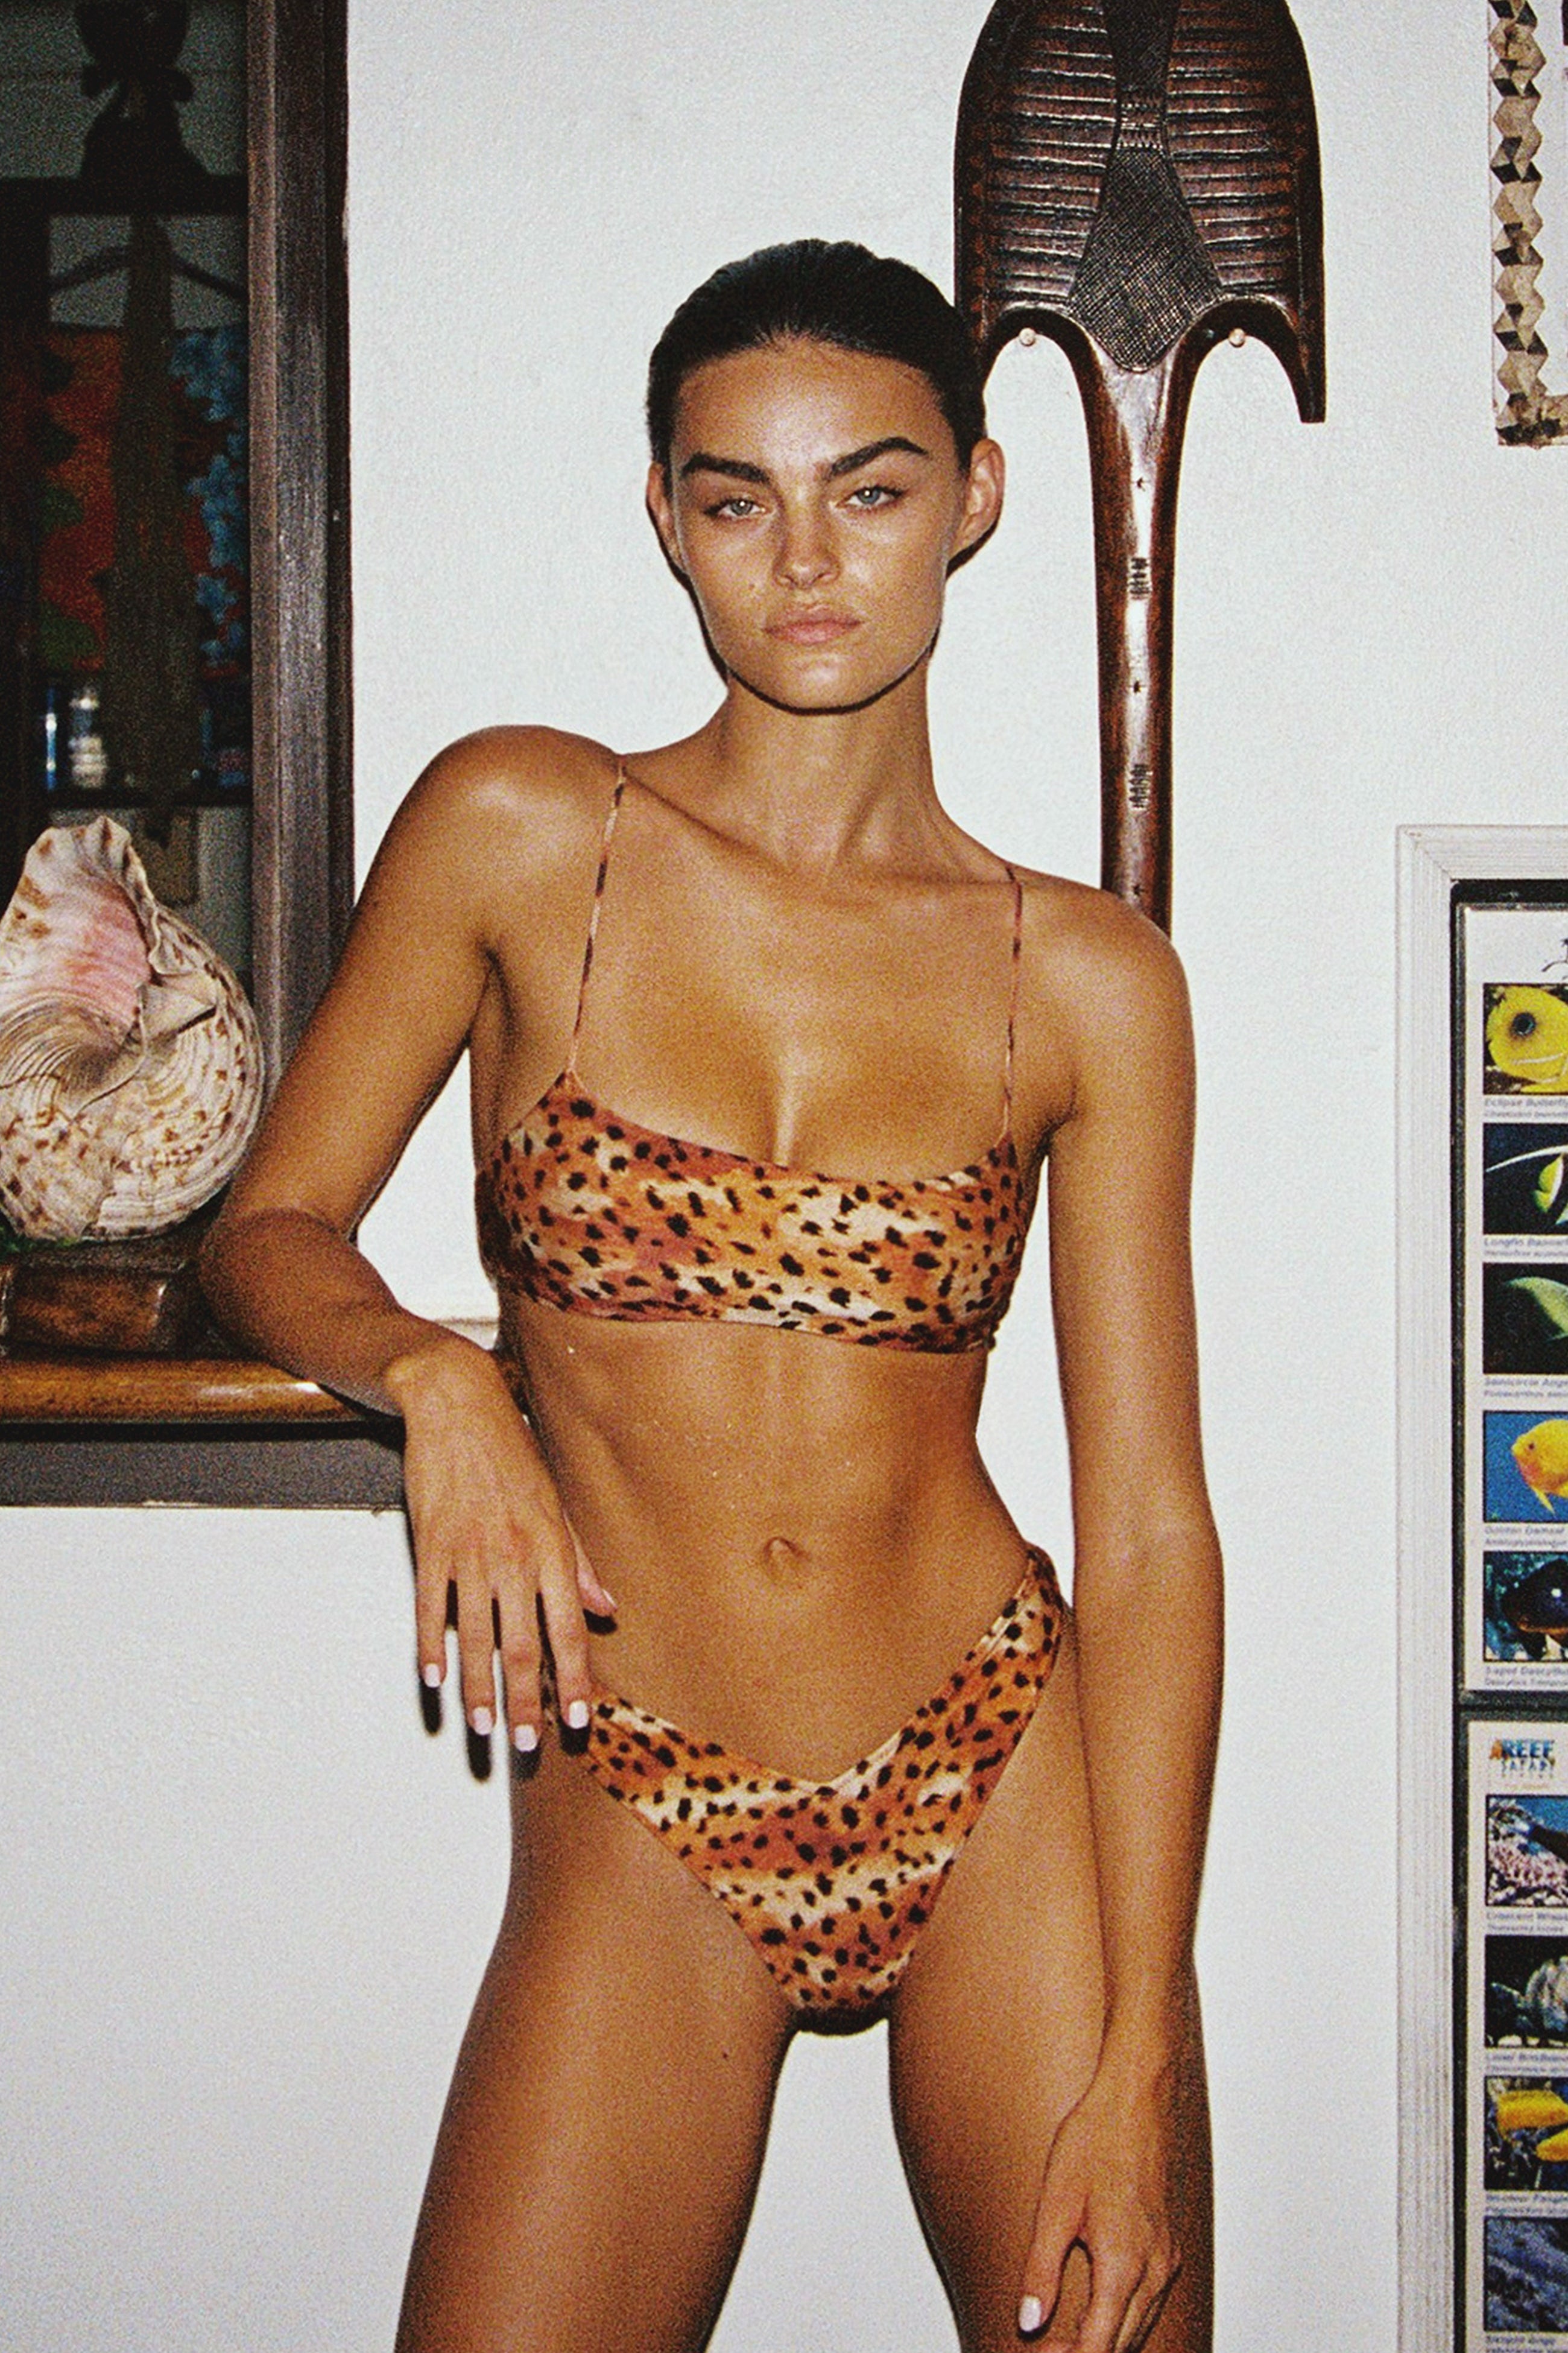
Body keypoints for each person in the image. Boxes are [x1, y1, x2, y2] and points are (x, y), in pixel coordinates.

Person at [202, 239, 1222, 2353]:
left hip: (998, 1768)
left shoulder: (1095, 984)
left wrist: (1132, 2059)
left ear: (978, 496)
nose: (807, 563)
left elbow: (1148, 1533)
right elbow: (269, 1226)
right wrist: (438, 1384)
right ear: (665, 516)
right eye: (737, 498)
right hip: (642, 1785)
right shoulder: (517, 826)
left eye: (868, 487)